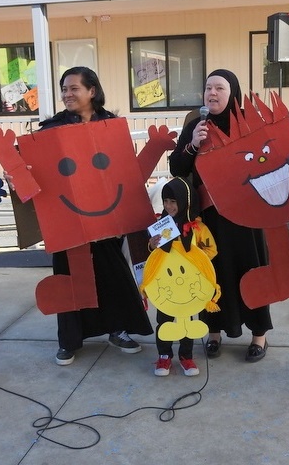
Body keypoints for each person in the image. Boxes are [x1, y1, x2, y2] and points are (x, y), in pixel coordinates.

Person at [37, 66, 153, 366]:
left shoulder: (110, 126)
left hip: (105, 218)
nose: (67, 94)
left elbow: (123, 169)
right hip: (69, 221)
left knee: (112, 276)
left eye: (74, 88)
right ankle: (69, 341)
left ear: (92, 91)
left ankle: (117, 329)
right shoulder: (51, 130)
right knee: (68, 279)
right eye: (64, 89)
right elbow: (37, 170)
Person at [169, 69, 272, 363]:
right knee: (211, 273)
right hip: (209, 218)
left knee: (250, 271)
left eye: (220, 88)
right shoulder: (196, 126)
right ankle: (213, 333)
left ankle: (259, 335)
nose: (212, 93)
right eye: (208, 88)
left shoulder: (249, 124)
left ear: (233, 93)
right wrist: (193, 145)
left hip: (246, 217)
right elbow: (178, 167)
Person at [146, 176, 217, 376]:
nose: (169, 206)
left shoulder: (198, 227)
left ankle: (186, 357)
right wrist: (152, 244)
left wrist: (196, 257)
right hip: (166, 284)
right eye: (166, 201)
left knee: (187, 318)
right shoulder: (162, 224)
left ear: (185, 201)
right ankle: (164, 357)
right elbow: (153, 255)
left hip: (189, 284)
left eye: (173, 201)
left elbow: (211, 251)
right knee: (164, 319)